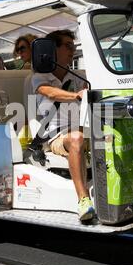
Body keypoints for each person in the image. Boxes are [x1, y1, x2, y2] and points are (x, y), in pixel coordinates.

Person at [31, 29, 94, 221]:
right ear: (52, 50)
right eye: (68, 46)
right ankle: (83, 200)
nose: (72, 50)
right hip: (57, 137)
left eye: (73, 46)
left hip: (84, 130)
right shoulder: (39, 77)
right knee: (77, 138)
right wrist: (76, 95)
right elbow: (50, 93)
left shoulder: (79, 76)